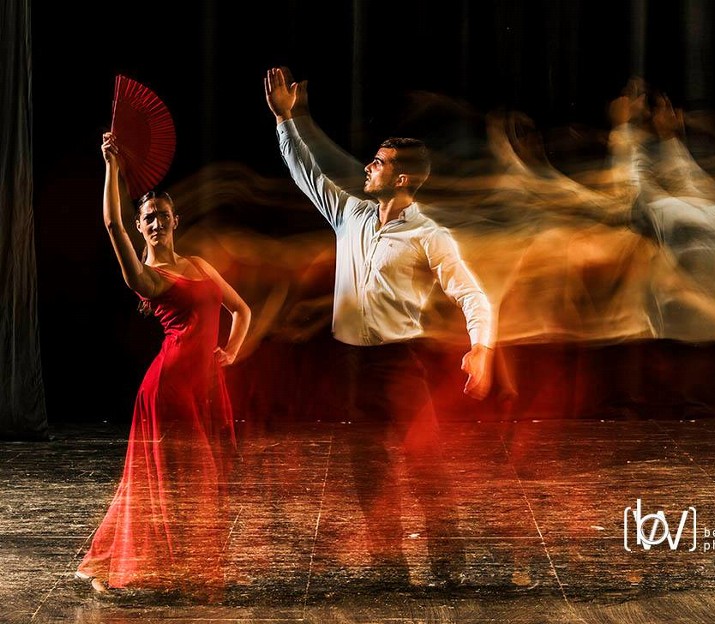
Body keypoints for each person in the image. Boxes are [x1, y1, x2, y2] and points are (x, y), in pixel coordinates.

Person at [264, 67, 494, 586]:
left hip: (398, 364)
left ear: (403, 178)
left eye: (380, 162)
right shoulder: (349, 213)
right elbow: (306, 172)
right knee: (367, 472)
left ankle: (447, 568)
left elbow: (471, 293)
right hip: (352, 363)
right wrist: (286, 122)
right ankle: (389, 565)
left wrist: (481, 348)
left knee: (424, 466)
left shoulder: (430, 236)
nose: (368, 167)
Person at [75, 132, 251, 596]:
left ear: (176, 220)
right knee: (185, 479)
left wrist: (230, 351)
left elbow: (242, 311)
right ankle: (181, 570)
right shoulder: (147, 276)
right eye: (148, 217)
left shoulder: (198, 263)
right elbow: (112, 224)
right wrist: (112, 166)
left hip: (205, 386)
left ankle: (107, 559)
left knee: (176, 478)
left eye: (163, 216)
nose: (156, 223)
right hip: (169, 390)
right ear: (141, 226)